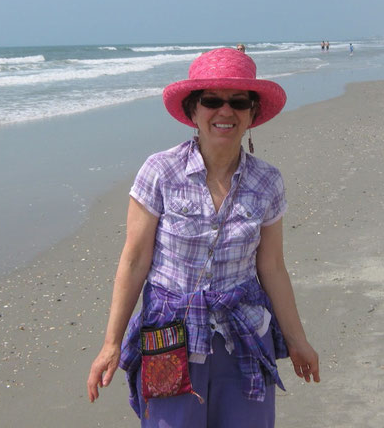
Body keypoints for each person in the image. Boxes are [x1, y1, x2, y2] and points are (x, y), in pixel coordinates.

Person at [86, 48, 320, 427]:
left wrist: (297, 341)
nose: (225, 111)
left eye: (238, 102)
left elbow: (272, 266)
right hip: (169, 335)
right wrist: (110, 344)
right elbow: (134, 261)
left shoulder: (267, 181)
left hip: (243, 331)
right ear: (194, 111)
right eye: (211, 101)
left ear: (252, 114)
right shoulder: (161, 171)